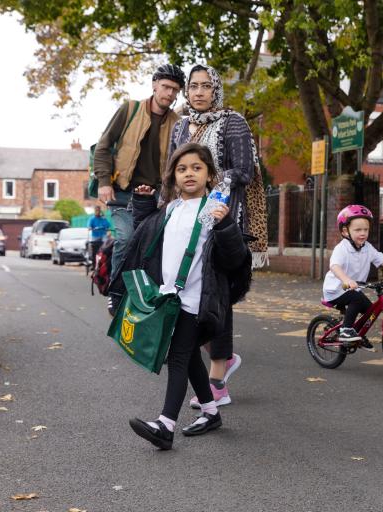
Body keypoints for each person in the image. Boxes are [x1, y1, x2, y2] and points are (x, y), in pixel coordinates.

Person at [116, 143, 251, 450]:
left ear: (209, 175)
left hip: (196, 299)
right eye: (182, 169)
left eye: (196, 168)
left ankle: (165, 425)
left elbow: (234, 259)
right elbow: (145, 238)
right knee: (188, 356)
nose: (189, 173)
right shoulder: (171, 209)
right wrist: (143, 204)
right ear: (173, 177)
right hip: (169, 297)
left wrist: (227, 225)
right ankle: (210, 411)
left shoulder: (214, 210)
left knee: (177, 356)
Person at [169, 64, 267, 409]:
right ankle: (225, 359)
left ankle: (217, 381)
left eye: (206, 86)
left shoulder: (232, 121)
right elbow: (173, 168)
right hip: (187, 222)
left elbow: (245, 169)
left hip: (225, 222)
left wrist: (212, 182)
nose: (198, 92)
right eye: (193, 86)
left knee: (217, 296)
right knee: (192, 295)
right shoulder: (181, 125)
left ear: (216, 90)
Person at [93, 63, 186, 291]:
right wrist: (104, 182)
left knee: (153, 246)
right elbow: (103, 147)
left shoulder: (177, 124)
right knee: (125, 239)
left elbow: (178, 164)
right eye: (165, 87)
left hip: (155, 197)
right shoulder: (130, 110)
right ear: (154, 85)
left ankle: (142, 294)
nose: (169, 93)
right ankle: (115, 291)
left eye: (175, 90)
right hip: (123, 192)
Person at [323, 205, 383, 350]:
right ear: (345, 231)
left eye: (366, 229)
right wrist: (346, 279)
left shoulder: (367, 247)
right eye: (358, 230)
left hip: (353, 289)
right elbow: (335, 266)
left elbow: (381, 259)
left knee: (370, 310)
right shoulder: (342, 248)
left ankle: (357, 333)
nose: (363, 233)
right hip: (336, 290)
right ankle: (346, 331)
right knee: (356, 299)